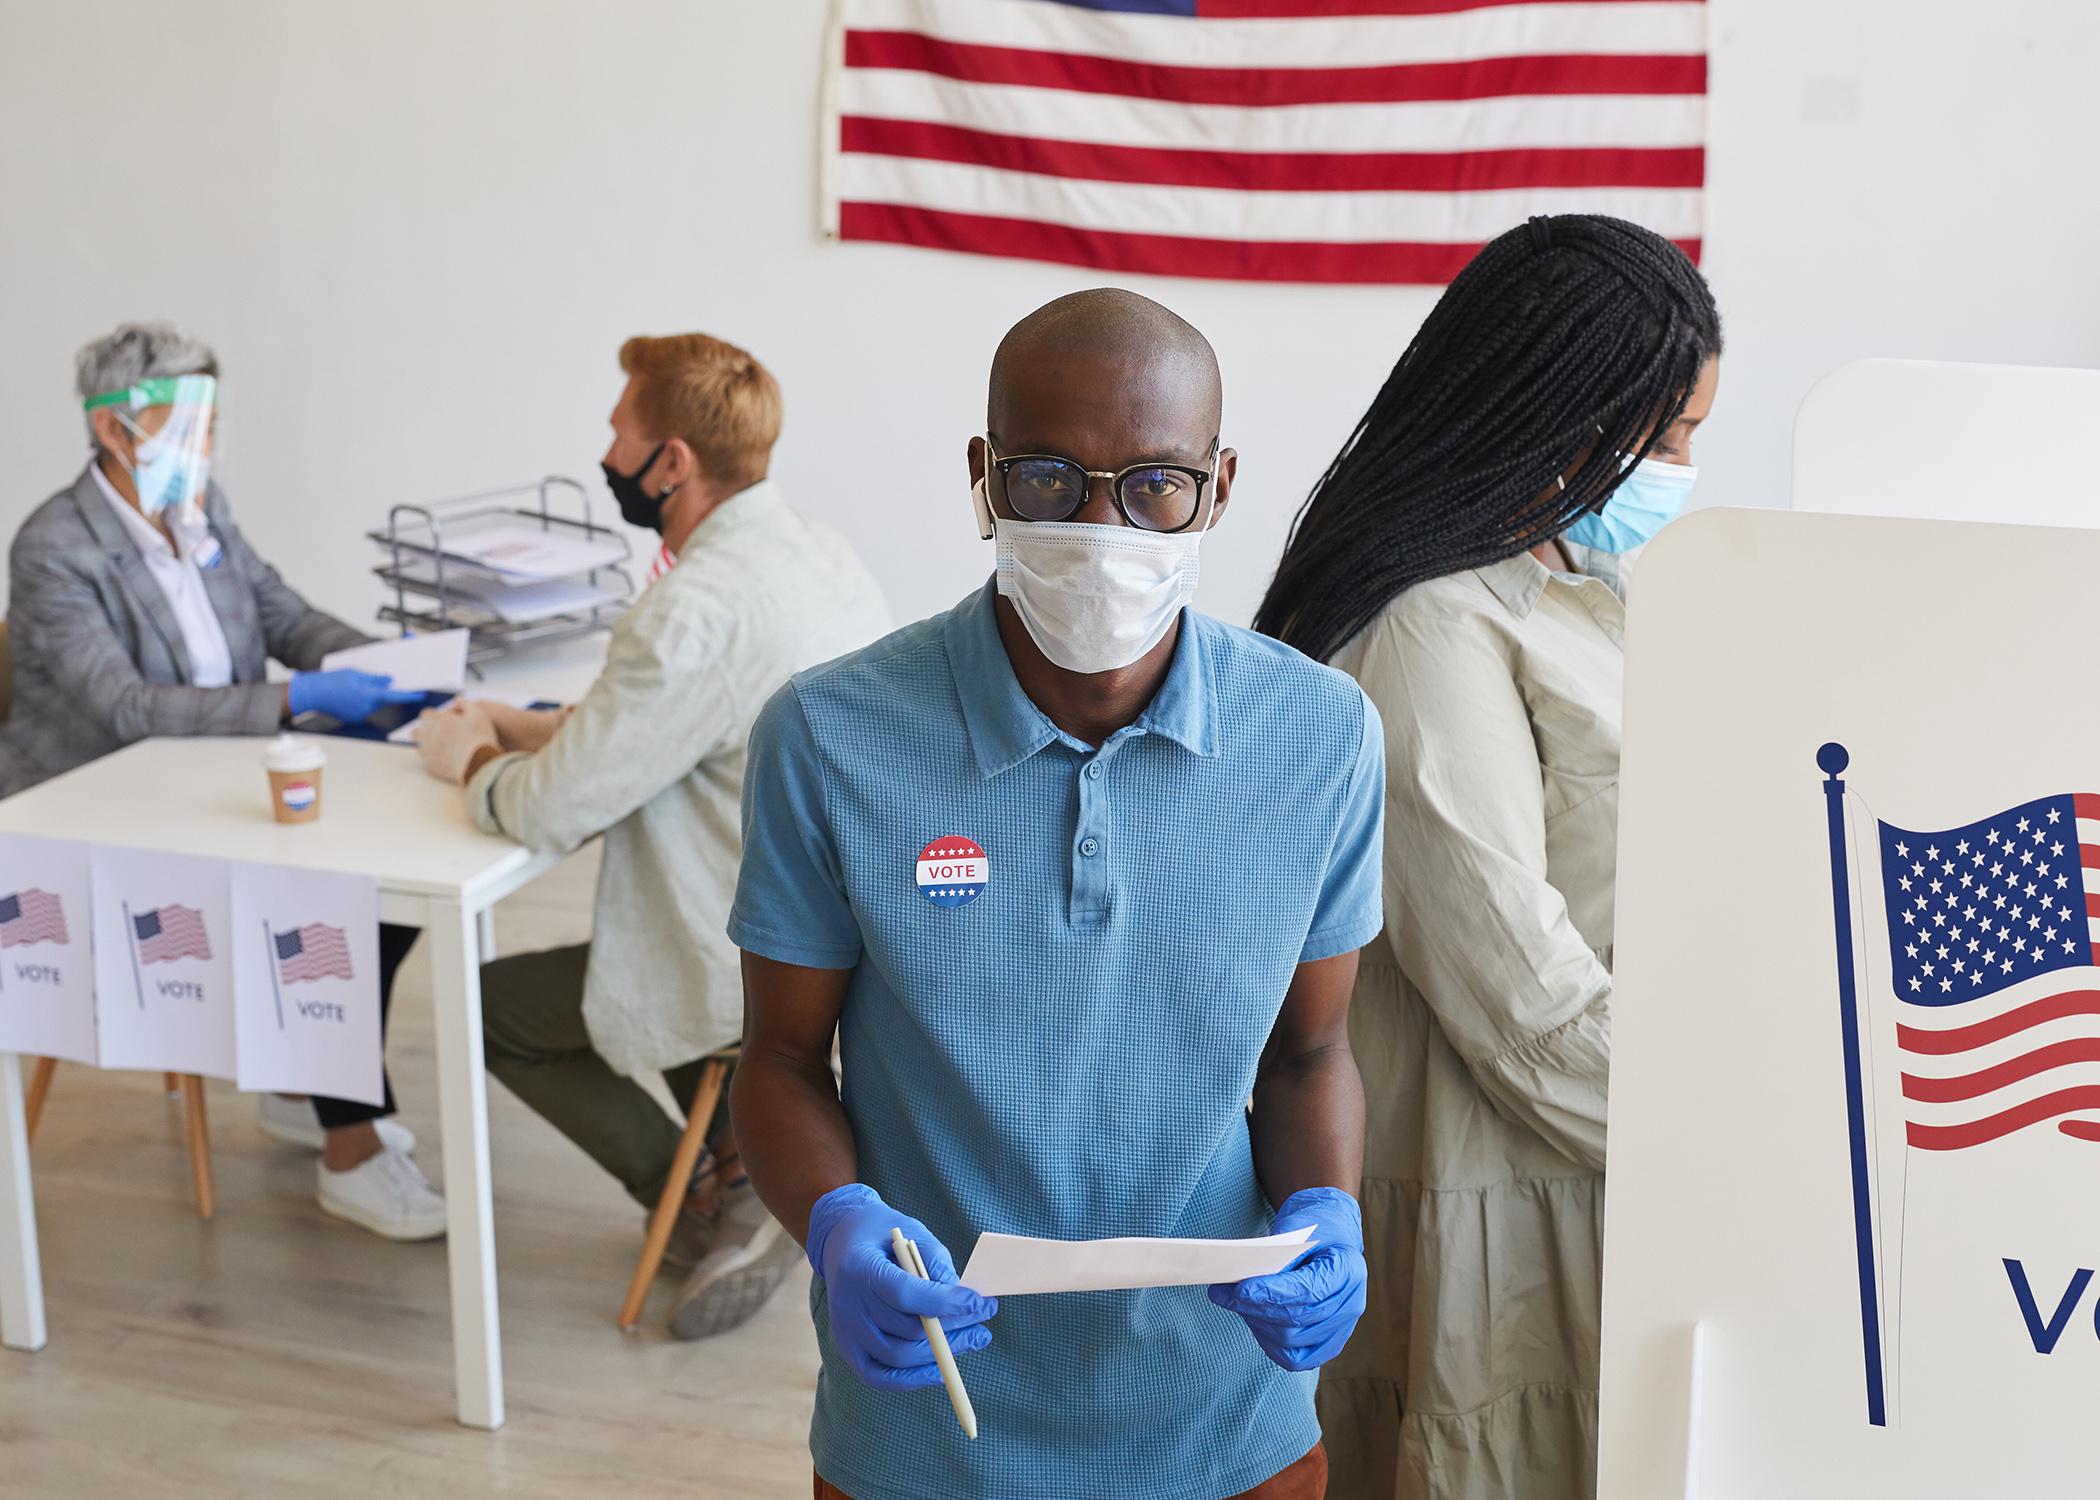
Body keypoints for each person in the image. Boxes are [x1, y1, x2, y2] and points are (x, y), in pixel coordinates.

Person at [728, 288, 1385, 1500]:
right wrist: (837, 1222)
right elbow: (774, 1061)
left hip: (1223, 1417)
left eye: (1154, 486)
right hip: (933, 1419)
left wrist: (1327, 1213)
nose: (1102, 529)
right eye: (1048, 481)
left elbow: (1310, 1053)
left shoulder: (1321, 739)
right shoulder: (832, 737)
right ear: (983, 477)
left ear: (1219, 488)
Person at [1253, 214, 1724, 1500]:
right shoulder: (1429, 627)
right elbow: (1516, 997)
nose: (1684, 465)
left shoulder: (1573, 584)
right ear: (1567, 411)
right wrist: (1726, 1140)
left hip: (1591, 1156)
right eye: (1668, 435)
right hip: (1505, 1178)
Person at [413, 332, 889, 1338]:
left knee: (482, 1006)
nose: (605, 450)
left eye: (618, 430)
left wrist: (471, 762)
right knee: (663, 992)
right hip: (841, 924)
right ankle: (740, 1160)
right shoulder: (811, 549)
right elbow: (674, 731)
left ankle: (709, 1196)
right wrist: (537, 727)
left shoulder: (692, 611)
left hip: (739, 946)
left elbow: (549, 809)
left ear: (669, 461)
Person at [2, 321, 445, 1240]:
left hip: (214, 773)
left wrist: (386, 662)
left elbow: (281, 611)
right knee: (330, 903)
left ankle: (303, 1079)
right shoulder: (53, 547)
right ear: (118, 430)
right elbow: (126, 707)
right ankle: (349, 1145)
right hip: (103, 804)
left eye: (210, 419)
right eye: (185, 421)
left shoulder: (200, 508)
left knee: (392, 891)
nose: (204, 442)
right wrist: (299, 698)